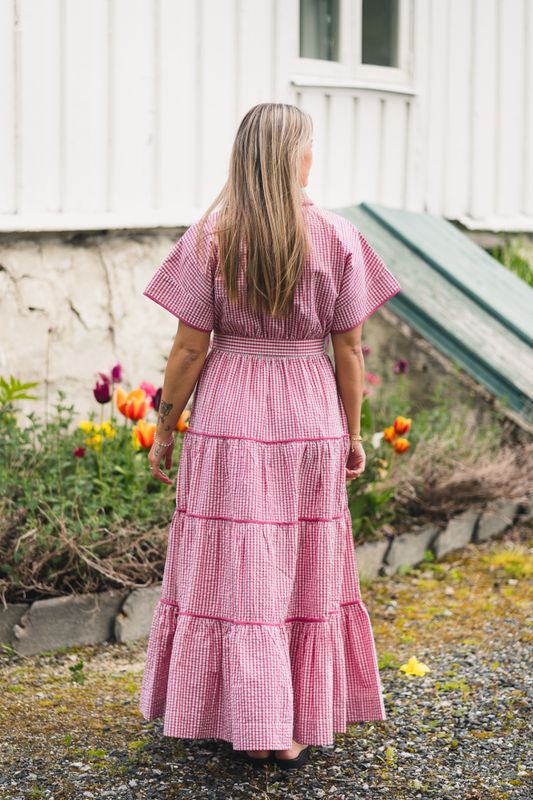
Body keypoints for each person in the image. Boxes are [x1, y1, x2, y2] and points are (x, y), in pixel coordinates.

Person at [138, 102, 402, 771]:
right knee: (302, 566)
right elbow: (350, 352)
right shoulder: (338, 237)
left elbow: (188, 350)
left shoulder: (210, 237)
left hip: (230, 413)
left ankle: (240, 717)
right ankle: (289, 725)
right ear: (300, 158)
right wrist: (352, 433)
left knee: (238, 566)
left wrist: (165, 428)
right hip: (309, 412)